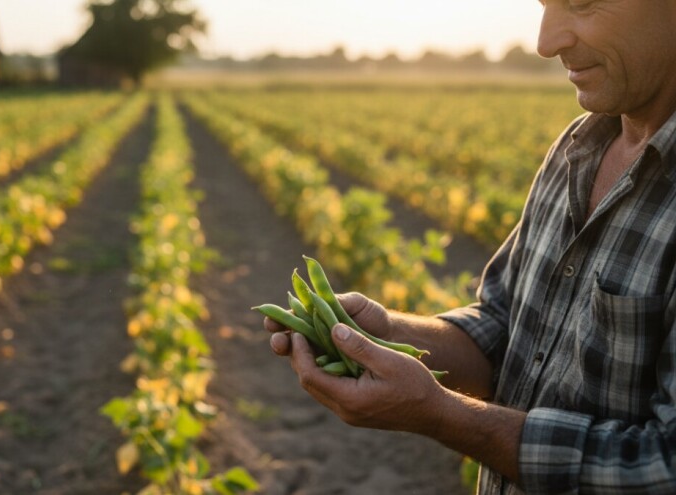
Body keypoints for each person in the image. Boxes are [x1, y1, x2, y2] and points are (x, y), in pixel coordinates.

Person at [264, 1, 676, 493]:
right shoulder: (580, 146)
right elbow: (505, 326)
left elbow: (663, 467)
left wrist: (440, 415)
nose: (546, 43)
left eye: (581, 3)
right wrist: (387, 329)